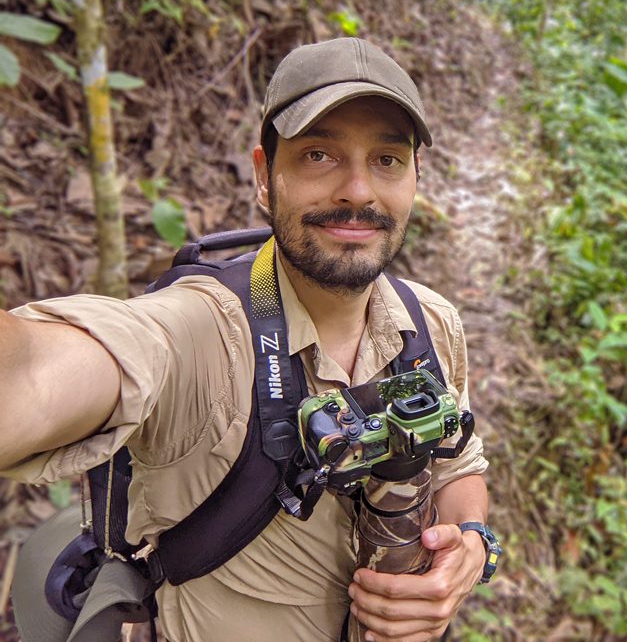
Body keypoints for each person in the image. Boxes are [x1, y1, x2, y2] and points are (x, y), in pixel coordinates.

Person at [0, 37, 492, 642]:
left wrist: (471, 543)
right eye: (319, 155)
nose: (359, 191)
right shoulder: (201, 330)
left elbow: (455, 466)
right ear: (265, 176)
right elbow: (39, 372)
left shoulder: (432, 323)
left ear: (416, 176)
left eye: (386, 160)